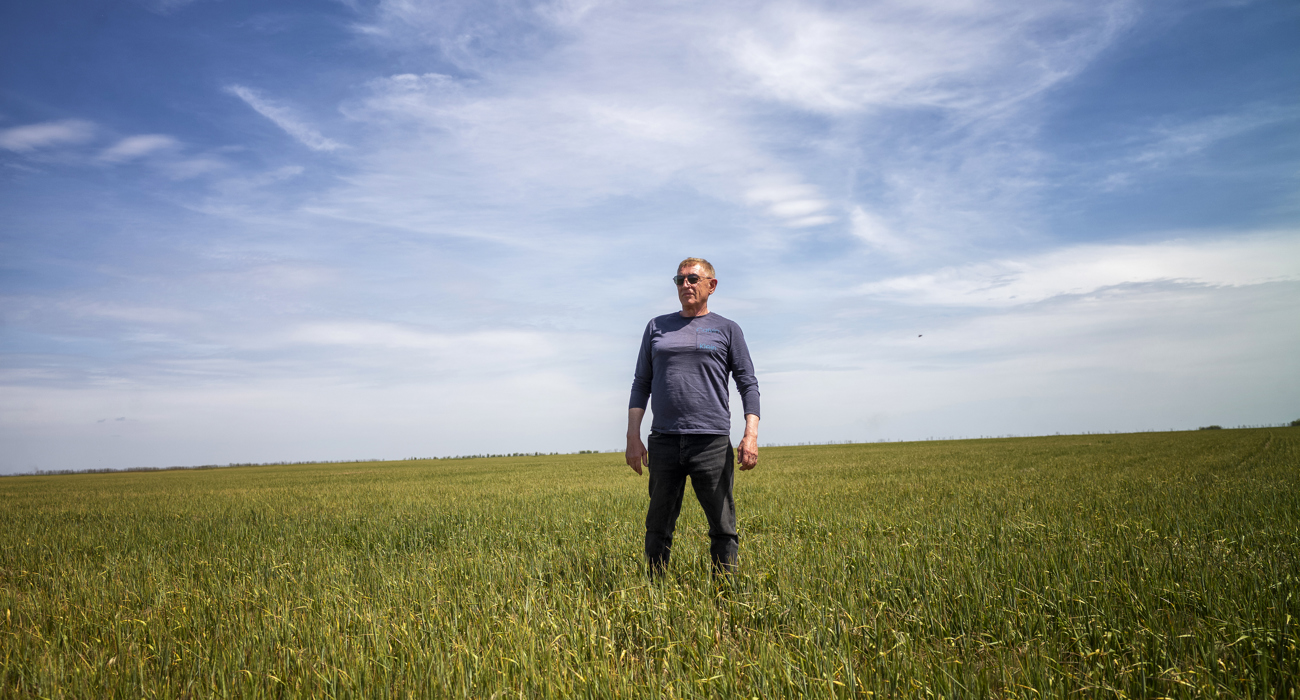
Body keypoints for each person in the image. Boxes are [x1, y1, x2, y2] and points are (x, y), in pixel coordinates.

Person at [626, 257, 760, 576]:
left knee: (722, 526)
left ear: (711, 286)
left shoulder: (728, 329)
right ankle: (654, 594)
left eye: (692, 279)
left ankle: (725, 596)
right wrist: (633, 435)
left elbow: (748, 383)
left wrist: (750, 433)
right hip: (664, 441)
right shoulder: (656, 326)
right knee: (658, 524)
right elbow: (640, 383)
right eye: (679, 279)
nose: (685, 284)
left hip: (711, 443)